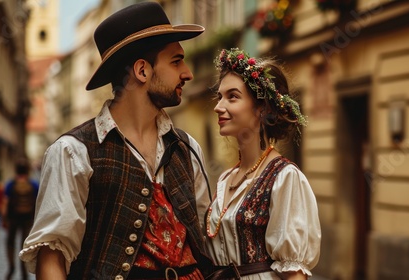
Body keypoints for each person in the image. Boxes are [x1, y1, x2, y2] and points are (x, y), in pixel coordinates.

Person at [19, 2, 212, 279]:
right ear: (142, 71)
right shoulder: (74, 152)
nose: (187, 73)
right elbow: (53, 258)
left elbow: (206, 240)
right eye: (176, 60)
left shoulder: (187, 148)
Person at [205, 48, 321, 279]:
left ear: (263, 108)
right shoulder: (225, 178)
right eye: (220, 97)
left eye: (232, 96)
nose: (219, 106)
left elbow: (294, 273)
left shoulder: (285, 177)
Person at [4, 158, 39, 280]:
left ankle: (11, 267)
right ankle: (24, 272)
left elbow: (6, 201)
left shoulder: (11, 184)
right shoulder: (33, 184)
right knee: (24, 245)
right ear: (27, 170)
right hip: (28, 219)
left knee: (10, 243)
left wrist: (4, 219)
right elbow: (38, 202)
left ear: (16, 170)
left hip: (13, 218)